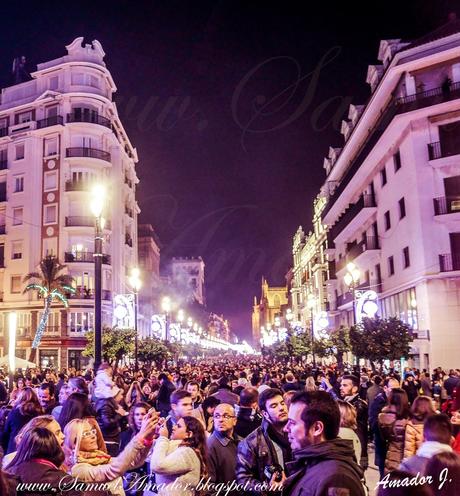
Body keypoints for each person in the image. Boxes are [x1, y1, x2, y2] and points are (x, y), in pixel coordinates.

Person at [283, 390, 365, 496]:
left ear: (317, 428)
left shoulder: (336, 480)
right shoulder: (311, 462)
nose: (286, 428)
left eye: (292, 423)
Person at [64, 414, 158, 496]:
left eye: (93, 431)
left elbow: (134, 462)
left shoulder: (101, 458)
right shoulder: (79, 469)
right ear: (74, 442)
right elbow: (113, 470)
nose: (93, 436)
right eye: (86, 434)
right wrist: (139, 437)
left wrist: (148, 438)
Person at [236, 388, 292, 491]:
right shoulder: (251, 442)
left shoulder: (296, 432)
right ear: (264, 414)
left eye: (282, 403)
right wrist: (266, 487)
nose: (281, 408)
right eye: (274, 406)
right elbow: (243, 479)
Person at [6, 427, 86, 496]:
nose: (63, 436)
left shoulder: (7, 477)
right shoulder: (68, 483)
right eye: (57, 432)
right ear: (55, 449)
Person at [150, 416, 207, 496]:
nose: (173, 427)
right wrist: (155, 434)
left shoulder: (187, 453)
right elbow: (148, 457)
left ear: (189, 434)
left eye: (178, 426)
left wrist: (163, 438)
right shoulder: (176, 448)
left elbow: (157, 466)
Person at [369, 377, 400, 477]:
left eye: (398, 389)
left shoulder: (399, 402)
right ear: (385, 388)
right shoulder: (378, 401)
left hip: (396, 448)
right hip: (383, 445)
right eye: (393, 389)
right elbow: (373, 423)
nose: (396, 392)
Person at [207, 404, 241, 489]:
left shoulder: (241, 441)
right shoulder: (209, 447)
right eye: (217, 416)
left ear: (235, 420)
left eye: (226, 416)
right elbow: (208, 487)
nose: (221, 420)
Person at [1, 387, 43, 454]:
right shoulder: (40, 413)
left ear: (20, 398)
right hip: (33, 450)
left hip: (14, 449)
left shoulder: (14, 412)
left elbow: (6, 433)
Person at [378, 388, 410, 473]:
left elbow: (381, 437)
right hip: (408, 457)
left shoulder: (383, 417)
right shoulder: (409, 418)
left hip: (391, 454)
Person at [339, 374, 368, 468]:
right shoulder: (346, 403)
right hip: (347, 448)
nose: (341, 388)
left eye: (345, 385)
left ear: (354, 388)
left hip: (356, 449)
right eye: (341, 385)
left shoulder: (359, 405)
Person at [95, 386, 129, 456]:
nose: (122, 397)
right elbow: (107, 423)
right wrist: (119, 415)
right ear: (114, 395)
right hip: (108, 440)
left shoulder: (111, 405)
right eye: (120, 394)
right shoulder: (106, 406)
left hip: (110, 438)